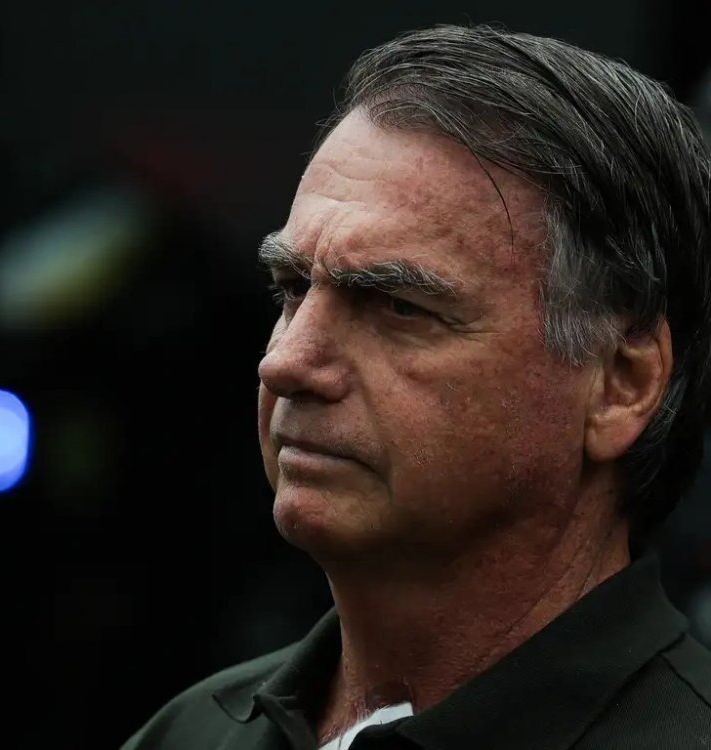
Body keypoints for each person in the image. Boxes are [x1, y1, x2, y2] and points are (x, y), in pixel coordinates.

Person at [120, 23, 711, 750]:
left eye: (399, 307)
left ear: (622, 384)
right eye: (292, 288)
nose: (286, 363)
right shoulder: (189, 733)